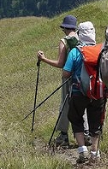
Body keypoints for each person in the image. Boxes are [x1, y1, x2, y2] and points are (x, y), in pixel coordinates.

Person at [62, 21, 106, 164]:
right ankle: (95, 152)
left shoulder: (75, 51)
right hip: (98, 92)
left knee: (75, 118)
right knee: (95, 122)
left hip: (78, 92)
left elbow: (66, 73)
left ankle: (82, 150)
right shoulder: (102, 50)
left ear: (80, 35)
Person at [37, 14, 79, 147]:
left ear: (64, 28)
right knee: (80, 104)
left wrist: (43, 59)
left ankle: (63, 135)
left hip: (68, 77)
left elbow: (60, 63)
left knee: (65, 104)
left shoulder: (64, 41)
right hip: (81, 76)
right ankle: (85, 134)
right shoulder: (81, 39)